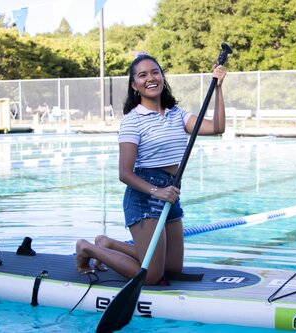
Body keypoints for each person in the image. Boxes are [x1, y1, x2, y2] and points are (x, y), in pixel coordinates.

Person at [75, 54, 227, 285]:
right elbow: (124, 173)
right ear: (134, 85)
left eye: (155, 72)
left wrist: (218, 88)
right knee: (152, 276)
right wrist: (157, 191)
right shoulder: (133, 120)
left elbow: (217, 127)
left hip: (171, 192)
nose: (151, 78)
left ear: (163, 78)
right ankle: (86, 248)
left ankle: (108, 243)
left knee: (173, 268)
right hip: (145, 196)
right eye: (142, 75)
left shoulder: (177, 114)